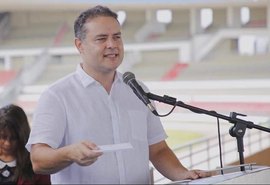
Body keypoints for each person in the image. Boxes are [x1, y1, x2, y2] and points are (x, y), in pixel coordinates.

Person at [26, 5, 213, 184]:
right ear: (79, 45)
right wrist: (68, 153)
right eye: (101, 39)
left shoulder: (138, 89)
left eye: (117, 37)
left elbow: (157, 150)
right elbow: (38, 160)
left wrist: (185, 175)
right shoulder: (57, 96)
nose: (112, 45)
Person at [0, 104, 51, 185]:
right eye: (3, 137)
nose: (7, 143)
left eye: (14, 138)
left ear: (22, 136)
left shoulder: (35, 163)